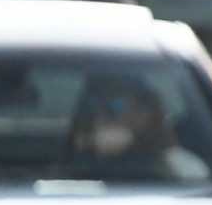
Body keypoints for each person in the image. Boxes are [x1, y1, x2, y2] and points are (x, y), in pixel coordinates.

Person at [63, 76, 201, 182]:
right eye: (90, 104)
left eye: (114, 106)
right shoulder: (66, 162)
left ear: (143, 115)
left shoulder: (182, 167)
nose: (99, 114)